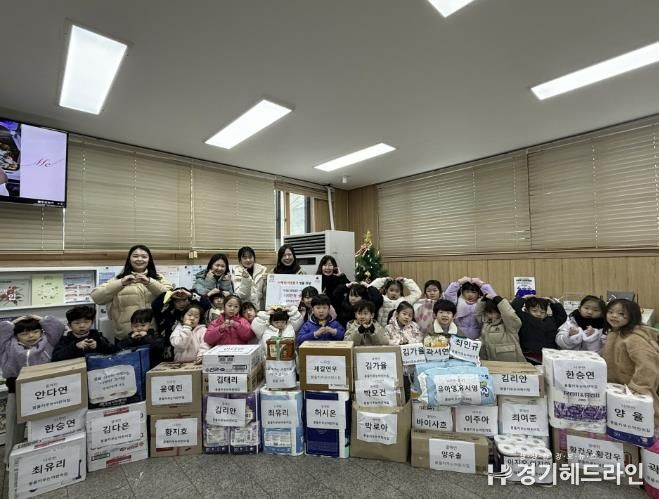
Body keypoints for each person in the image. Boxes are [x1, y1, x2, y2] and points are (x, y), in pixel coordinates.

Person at [0, 315, 65, 464]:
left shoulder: (48, 342)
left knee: (44, 422)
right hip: (16, 388)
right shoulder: (8, 345)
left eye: (35, 332)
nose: (30, 336)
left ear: (41, 332)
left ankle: (45, 454)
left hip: (44, 388)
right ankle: (10, 459)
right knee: (14, 424)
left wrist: (38, 318)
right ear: (16, 335)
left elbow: (58, 326)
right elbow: (2, 331)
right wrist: (15, 321)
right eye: (24, 333)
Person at [90, 245, 172, 340]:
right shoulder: (119, 279)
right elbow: (97, 298)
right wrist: (121, 283)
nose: (139, 259)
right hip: (126, 336)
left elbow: (170, 297)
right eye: (135, 256)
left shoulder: (158, 278)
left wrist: (150, 283)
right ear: (129, 259)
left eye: (144, 256)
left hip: (153, 333)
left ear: (149, 260)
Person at [602, 299, 659, 428]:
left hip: (634, 395)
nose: (614, 316)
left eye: (621, 314)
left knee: (640, 427)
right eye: (610, 312)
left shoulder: (634, 338)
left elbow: (648, 366)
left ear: (632, 316)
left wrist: (637, 388)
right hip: (618, 392)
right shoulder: (615, 333)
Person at [511, 294, 567, 364]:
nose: (538, 314)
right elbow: (514, 308)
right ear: (527, 310)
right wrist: (524, 298)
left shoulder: (552, 320)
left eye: (542, 312)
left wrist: (554, 303)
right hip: (529, 356)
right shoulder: (524, 318)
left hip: (549, 356)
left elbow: (562, 316)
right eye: (534, 311)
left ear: (546, 312)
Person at [52, 305, 118, 360]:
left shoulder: (97, 336)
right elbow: (56, 357)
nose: (82, 326)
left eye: (86, 322)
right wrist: (75, 346)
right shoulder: (66, 339)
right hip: (77, 369)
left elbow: (112, 350)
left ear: (92, 323)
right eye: (77, 323)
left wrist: (98, 345)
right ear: (69, 325)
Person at [476, 294, 525, 361]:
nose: (490, 315)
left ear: (500, 312)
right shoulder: (486, 323)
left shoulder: (510, 325)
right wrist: (482, 302)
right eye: (489, 312)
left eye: (494, 312)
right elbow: (478, 314)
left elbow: (509, 315)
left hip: (512, 362)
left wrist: (499, 300)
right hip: (491, 362)